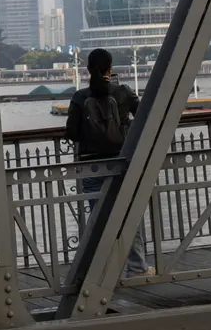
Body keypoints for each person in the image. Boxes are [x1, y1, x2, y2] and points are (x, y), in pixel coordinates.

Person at [64, 48, 149, 277]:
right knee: (128, 212)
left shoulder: (80, 97)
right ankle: (137, 267)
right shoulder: (122, 92)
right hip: (120, 160)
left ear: (88, 68)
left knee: (96, 219)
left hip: (91, 164)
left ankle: (101, 271)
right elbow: (144, 117)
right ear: (110, 68)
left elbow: (71, 132)